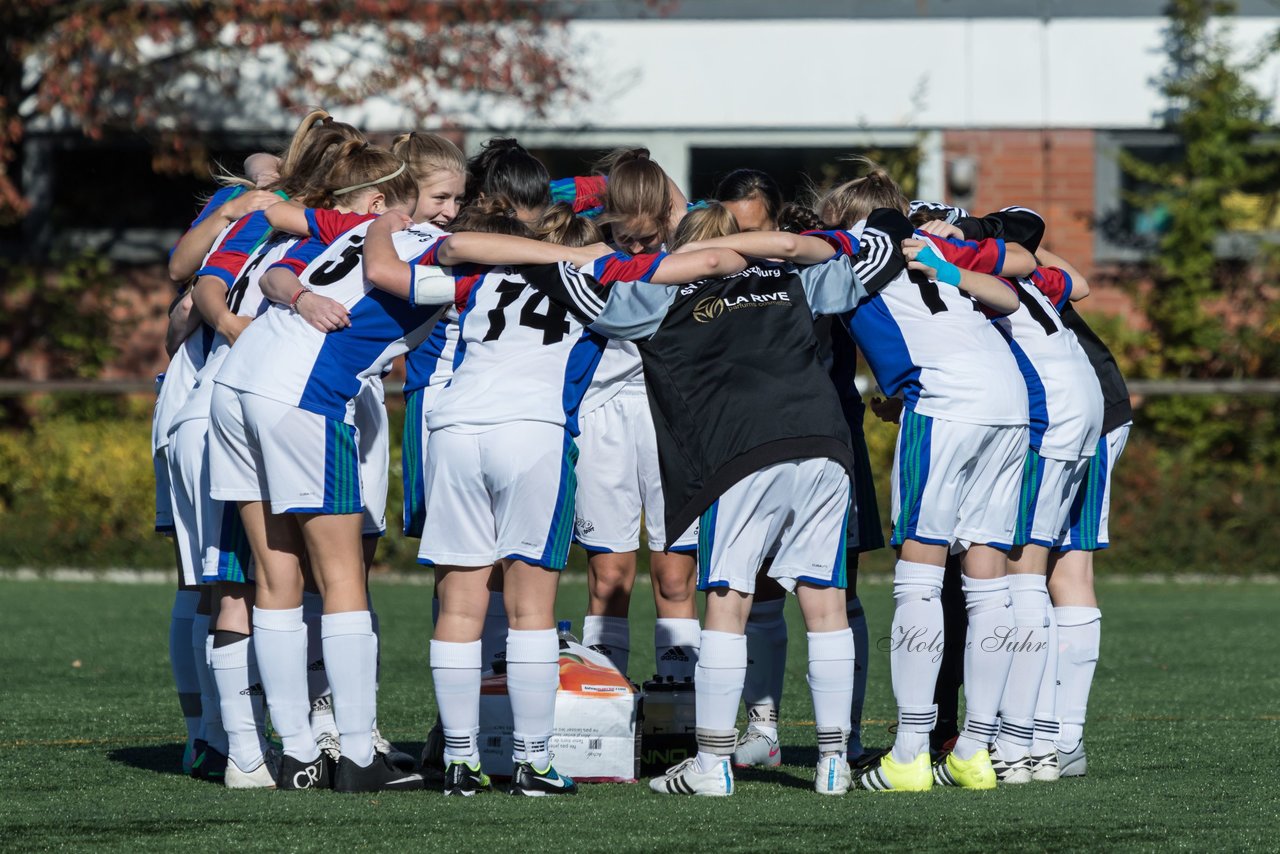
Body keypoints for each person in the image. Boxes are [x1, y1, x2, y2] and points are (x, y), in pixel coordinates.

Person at [525, 205, 912, 797]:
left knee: (728, 599)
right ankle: (834, 763)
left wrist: (554, 250)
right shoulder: (792, 277)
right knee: (825, 597)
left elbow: (578, 289)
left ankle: (712, 761)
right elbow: (873, 258)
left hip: (740, 450)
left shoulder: (659, 293)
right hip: (823, 440)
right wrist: (884, 219)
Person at [363, 201, 737, 796]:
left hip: (454, 429)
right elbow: (693, 277)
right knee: (529, 608)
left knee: (461, 604)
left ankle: (459, 759)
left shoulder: (479, 275)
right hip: (534, 431)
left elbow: (392, 273)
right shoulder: (600, 275)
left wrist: (379, 226)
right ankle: (533, 760)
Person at [208, 144, 426, 792]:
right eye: (438, 198)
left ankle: (299, 753)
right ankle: (357, 755)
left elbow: (276, 268)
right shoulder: (416, 242)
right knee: (342, 576)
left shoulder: (337, 228)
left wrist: (300, 293)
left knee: (277, 573)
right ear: (388, 199)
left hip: (237, 383)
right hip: (301, 397)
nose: (445, 213)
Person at [814, 162, 1034, 792]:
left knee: (920, 573)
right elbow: (1009, 295)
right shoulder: (933, 244)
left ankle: (910, 751)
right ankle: (975, 750)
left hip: (947, 403)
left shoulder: (859, 247)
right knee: (987, 582)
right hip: (1008, 399)